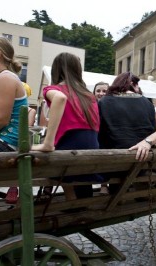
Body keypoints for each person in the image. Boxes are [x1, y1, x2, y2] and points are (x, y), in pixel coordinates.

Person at [32, 52, 102, 200]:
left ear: (56, 70)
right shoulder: (89, 95)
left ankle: (70, 200)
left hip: (68, 153)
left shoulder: (53, 89)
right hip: (91, 151)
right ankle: (72, 202)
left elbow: (60, 98)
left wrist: (48, 143)